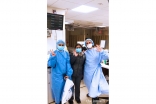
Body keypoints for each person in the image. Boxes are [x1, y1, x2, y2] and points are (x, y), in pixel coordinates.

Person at [83, 39, 109, 104]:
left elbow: (107, 57)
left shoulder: (97, 50)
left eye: (90, 42)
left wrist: (102, 51)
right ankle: (95, 100)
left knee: (101, 87)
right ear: (85, 44)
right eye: (87, 43)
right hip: (88, 74)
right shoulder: (85, 53)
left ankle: (95, 100)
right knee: (92, 90)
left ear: (92, 43)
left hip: (96, 73)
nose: (88, 43)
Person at [48, 40, 73, 104]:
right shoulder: (54, 53)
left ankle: (63, 101)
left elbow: (68, 64)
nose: (61, 46)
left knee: (64, 91)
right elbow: (51, 64)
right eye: (60, 45)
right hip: (56, 77)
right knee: (57, 91)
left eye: (62, 45)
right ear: (57, 45)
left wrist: (69, 73)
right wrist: (53, 57)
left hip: (65, 76)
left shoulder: (66, 53)